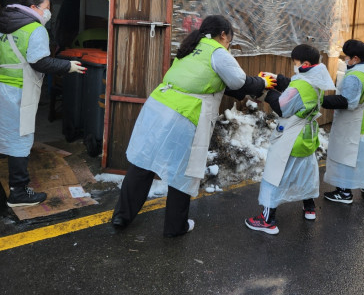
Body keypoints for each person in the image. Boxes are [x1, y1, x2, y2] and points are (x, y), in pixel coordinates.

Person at [111, 15, 275, 237]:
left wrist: (252, 87)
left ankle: (122, 216)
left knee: (144, 162)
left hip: (158, 107)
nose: (228, 45)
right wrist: (263, 82)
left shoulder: (191, 47)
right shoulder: (217, 51)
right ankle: (175, 227)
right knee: (183, 169)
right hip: (184, 114)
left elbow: (220, 84)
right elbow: (238, 81)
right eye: (229, 39)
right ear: (223, 34)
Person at [0, 0, 86, 206]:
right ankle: (19, 192)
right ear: (32, 8)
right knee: (20, 139)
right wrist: (68, 66)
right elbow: (41, 62)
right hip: (13, 91)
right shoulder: (35, 29)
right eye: (46, 8)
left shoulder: (3, 22)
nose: (48, 13)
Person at [245, 44, 335, 235]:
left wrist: (267, 93)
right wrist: (278, 80)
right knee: (305, 173)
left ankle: (267, 219)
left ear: (305, 63)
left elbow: (283, 107)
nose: (294, 66)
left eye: (295, 63)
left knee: (275, 175)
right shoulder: (317, 81)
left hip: (291, 137)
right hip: (308, 136)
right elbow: (297, 90)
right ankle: (309, 207)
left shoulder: (300, 85)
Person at [320, 40, 364, 204]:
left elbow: (348, 102)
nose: (345, 60)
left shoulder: (353, 77)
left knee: (345, 156)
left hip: (351, 123)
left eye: (347, 57)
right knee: (363, 158)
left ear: (356, 59)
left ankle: (344, 192)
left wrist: (322, 100)